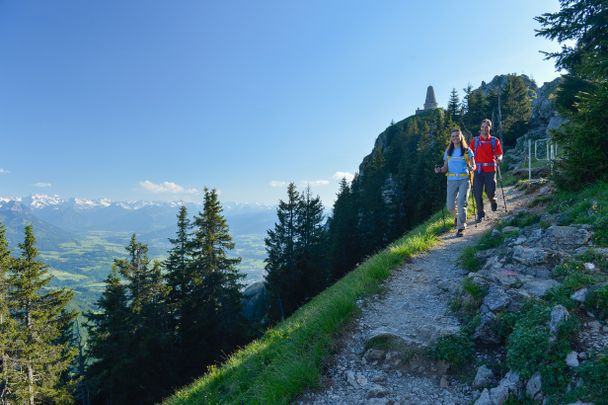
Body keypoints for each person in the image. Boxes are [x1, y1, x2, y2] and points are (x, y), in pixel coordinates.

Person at [435, 128, 476, 237]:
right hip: (452, 180)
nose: (455, 138)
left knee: (462, 203)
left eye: (457, 136)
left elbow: (474, 166)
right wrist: (440, 170)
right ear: (451, 138)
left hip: (464, 179)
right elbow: (445, 168)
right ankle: (457, 216)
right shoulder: (448, 152)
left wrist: (471, 168)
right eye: (453, 136)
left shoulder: (467, 151)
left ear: (461, 136)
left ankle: (461, 227)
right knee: (450, 206)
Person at [470, 118, 503, 222]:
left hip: (490, 170)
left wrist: (499, 159)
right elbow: (469, 155)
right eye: (483, 127)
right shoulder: (475, 141)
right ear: (480, 128)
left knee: (490, 192)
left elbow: (500, 154)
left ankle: (493, 201)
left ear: (490, 128)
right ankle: (481, 213)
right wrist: (469, 165)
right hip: (477, 170)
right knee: (477, 192)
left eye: (486, 127)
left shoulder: (494, 140)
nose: (484, 129)